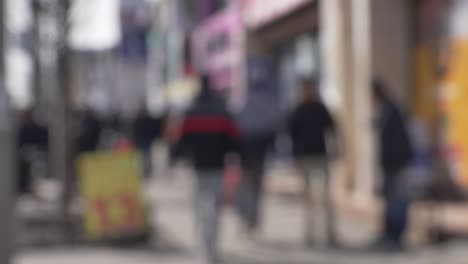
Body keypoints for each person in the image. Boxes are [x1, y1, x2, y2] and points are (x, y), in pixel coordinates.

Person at [174, 75, 240, 264]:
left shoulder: (191, 111)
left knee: (199, 205)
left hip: (197, 165)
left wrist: (177, 158)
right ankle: (211, 247)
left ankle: (203, 245)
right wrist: (235, 156)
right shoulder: (221, 110)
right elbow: (233, 139)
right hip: (217, 165)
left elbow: (182, 140)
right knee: (213, 206)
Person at [288, 78, 337, 247]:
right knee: (308, 199)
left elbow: (332, 129)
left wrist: (335, 150)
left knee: (326, 198)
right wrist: (295, 159)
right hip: (305, 157)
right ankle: (309, 234)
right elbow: (291, 136)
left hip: (321, 156)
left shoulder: (321, 109)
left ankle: (330, 234)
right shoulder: (298, 110)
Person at [372, 80, 413, 250]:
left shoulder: (391, 110)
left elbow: (398, 140)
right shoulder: (386, 110)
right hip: (391, 164)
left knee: (398, 200)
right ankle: (389, 233)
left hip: (396, 163)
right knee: (390, 200)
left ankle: (396, 235)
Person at [235, 83, 277, 235]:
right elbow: (272, 131)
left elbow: (236, 132)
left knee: (247, 188)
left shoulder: (242, 106)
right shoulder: (267, 106)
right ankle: (253, 218)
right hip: (258, 154)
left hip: (248, 155)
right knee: (256, 189)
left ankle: (248, 217)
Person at [16, 109, 48, 195]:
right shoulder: (22, 128)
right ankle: (24, 188)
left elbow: (43, 142)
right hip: (25, 156)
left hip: (38, 154)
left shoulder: (37, 128)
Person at [131, 107, 164, 177]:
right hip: (144, 140)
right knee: (144, 156)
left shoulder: (141, 121)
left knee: (145, 156)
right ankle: (145, 171)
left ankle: (146, 171)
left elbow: (136, 131)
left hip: (145, 140)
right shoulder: (142, 121)